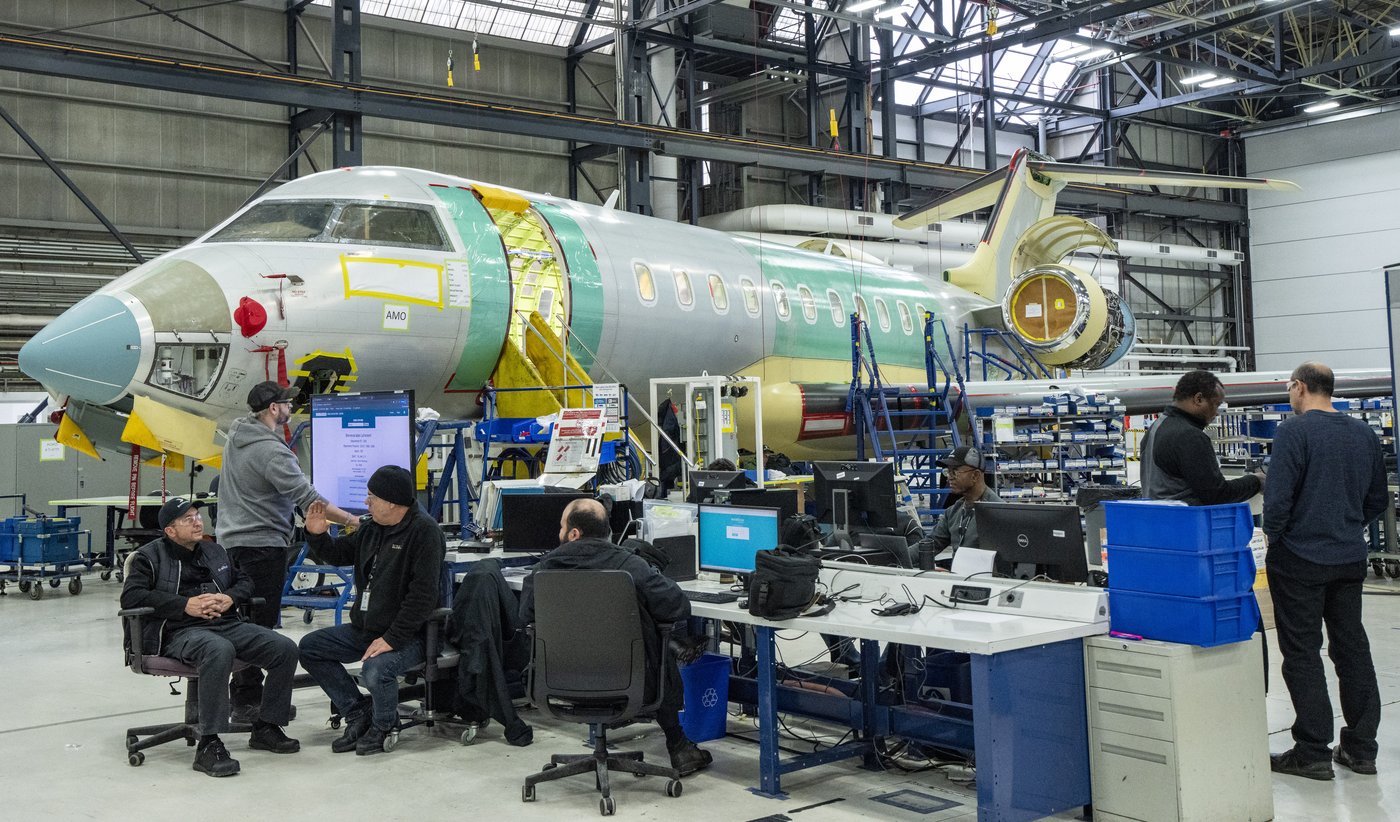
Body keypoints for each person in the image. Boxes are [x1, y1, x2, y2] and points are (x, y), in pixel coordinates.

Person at [519, 498, 712, 776]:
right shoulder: (630, 566)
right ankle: (679, 745)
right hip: (631, 684)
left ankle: (679, 744)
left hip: (557, 682)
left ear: (573, 534)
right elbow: (678, 605)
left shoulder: (542, 572)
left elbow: (524, 618)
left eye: (561, 527)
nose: (559, 533)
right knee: (656, 634)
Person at [1264, 362, 1386, 780]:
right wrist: (1347, 527)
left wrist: (1277, 539)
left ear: (1299, 387)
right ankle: (1360, 749)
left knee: (1301, 653)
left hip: (1299, 559)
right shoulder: (1363, 433)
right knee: (1352, 650)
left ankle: (1312, 750)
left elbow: (1277, 502)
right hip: (1349, 558)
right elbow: (1377, 500)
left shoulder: (1293, 432)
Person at [120, 497, 300, 777]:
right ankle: (208, 743)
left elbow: (245, 582)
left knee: (284, 648)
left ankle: (266, 727)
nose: (197, 521)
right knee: (218, 649)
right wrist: (183, 605)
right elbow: (132, 597)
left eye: (197, 516)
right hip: (178, 631)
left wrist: (229, 597)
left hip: (225, 622)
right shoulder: (148, 558)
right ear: (170, 530)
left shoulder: (215, 551)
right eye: (188, 519)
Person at [218, 380, 355, 721]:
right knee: (260, 629)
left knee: (243, 621)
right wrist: (354, 520)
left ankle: (246, 694)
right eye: (286, 403)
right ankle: (249, 702)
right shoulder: (270, 451)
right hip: (261, 546)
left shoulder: (237, 434)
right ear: (273, 409)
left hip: (232, 543)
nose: (291, 408)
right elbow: (310, 499)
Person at [298, 465, 445, 756]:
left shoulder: (424, 532)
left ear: (392, 502)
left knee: (375, 670)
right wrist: (317, 536)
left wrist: (391, 639)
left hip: (408, 636)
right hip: (365, 628)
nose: (366, 502)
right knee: (310, 647)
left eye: (371, 497)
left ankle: (383, 725)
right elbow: (340, 554)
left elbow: (422, 598)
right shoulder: (372, 528)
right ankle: (358, 712)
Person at [1139, 369, 1265, 505]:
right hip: (1187, 521)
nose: (1217, 413)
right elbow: (1217, 495)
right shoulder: (1189, 436)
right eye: (1216, 404)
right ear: (1198, 399)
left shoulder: (1157, 426)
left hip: (1157, 520)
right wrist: (1256, 481)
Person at [926, 446, 1002, 565]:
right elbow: (931, 544)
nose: (949, 477)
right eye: (948, 472)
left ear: (975, 475)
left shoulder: (998, 512)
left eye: (955, 471)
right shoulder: (953, 512)